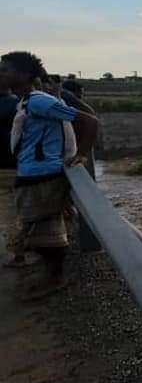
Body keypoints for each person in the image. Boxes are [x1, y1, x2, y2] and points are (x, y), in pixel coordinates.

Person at [0, 52, 98, 298]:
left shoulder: (38, 102)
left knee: (46, 234)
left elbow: (89, 121)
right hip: (33, 175)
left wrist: (82, 155)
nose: (1, 74)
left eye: (5, 70)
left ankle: (55, 278)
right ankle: (51, 276)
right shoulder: (26, 101)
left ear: (22, 75)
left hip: (43, 175)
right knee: (40, 232)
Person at [0, 71, 21, 267]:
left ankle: (18, 253)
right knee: (15, 213)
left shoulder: (13, 103)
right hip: (16, 165)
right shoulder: (18, 102)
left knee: (12, 214)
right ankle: (18, 252)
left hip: (10, 167)